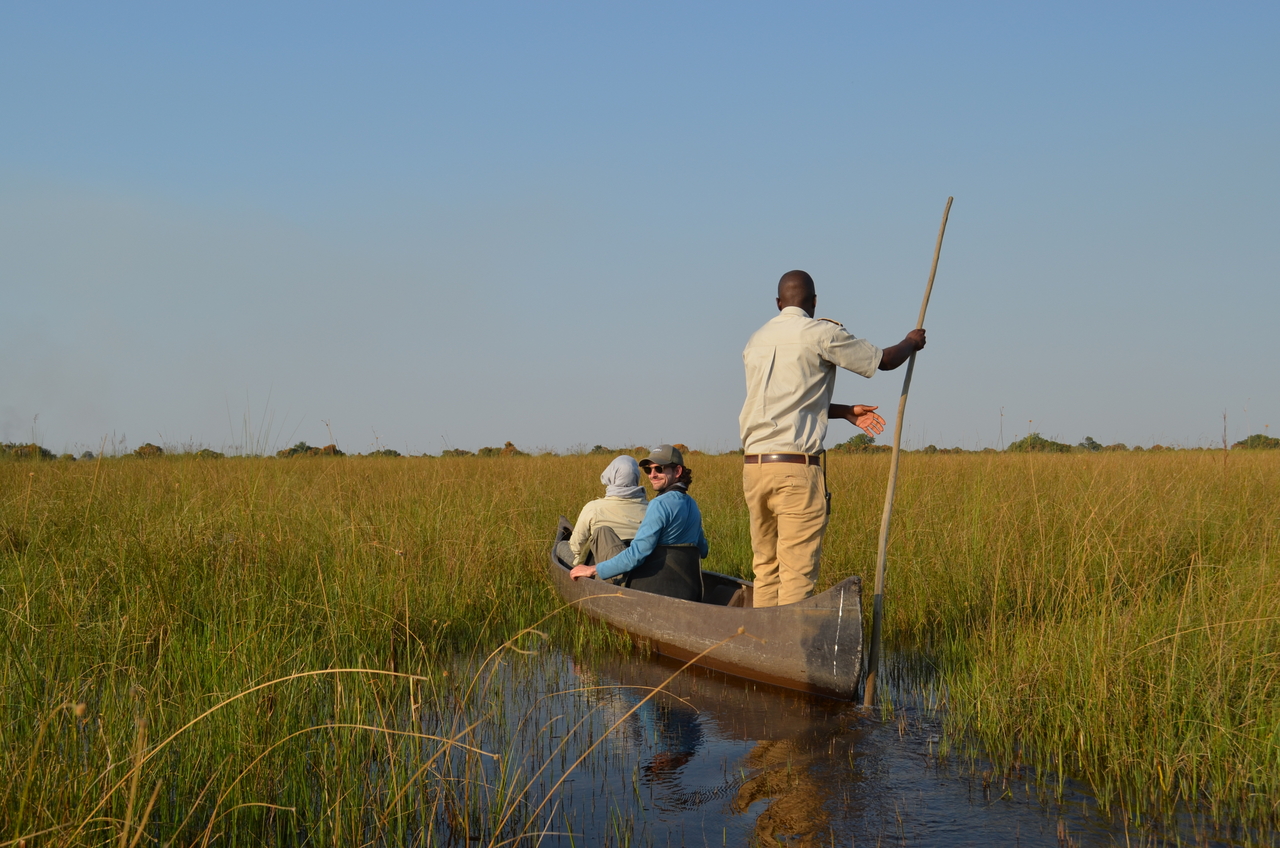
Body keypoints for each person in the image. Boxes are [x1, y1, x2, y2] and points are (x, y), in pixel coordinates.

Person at [740, 270, 925, 607]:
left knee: (766, 570)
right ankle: (789, 654)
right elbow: (883, 361)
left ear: (778, 304)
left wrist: (843, 411)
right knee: (796, 577)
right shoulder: (820, 333)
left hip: (754, 468)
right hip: (795, 470)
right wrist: (911, 342)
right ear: (813, 302)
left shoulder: (756, 340)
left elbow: (785, 401)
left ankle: (763, 648)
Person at [570, 445, 709, 601]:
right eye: (649, 470)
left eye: (659, 469)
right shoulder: (693, 505)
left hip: (649, 587)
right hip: (688, 591)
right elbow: (703, 550)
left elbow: (635, 556)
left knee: (602, 534)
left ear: (677, 471)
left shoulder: (659, 504)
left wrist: (592, 569)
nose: (652, 475)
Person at [557, 455, 649, 568]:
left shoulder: (593, 508)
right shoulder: (651, 509)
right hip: (642, 566)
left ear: (612, 476)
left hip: (599, 567)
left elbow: (575, 547)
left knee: (561, 545)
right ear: (636, 477)